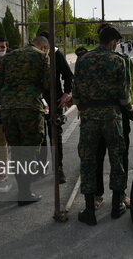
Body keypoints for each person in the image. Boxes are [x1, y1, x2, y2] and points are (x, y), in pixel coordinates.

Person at [73, 25, 130, 226]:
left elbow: (76, 92)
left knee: (88, 160)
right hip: (111, 116)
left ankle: (89, 209)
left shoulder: (83, 60)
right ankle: (117, 205)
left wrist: (86, 107)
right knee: (117, 158)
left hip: (89, 116)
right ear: (113, 41)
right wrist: (128, 108)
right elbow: (123, 95)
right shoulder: (118, 61)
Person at [94, 23, 133, 210]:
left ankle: (121, 193)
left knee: (121, 157)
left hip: (120, 117)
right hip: (95, 118)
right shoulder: (89, 60)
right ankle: (97, 194)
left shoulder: (125, 61)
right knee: (96, 156)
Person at [0, 35, 50, 206]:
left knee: (17, 150)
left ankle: (22, 189)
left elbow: (0, 82)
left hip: (9, 109)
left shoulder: (9, 56)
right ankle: (25, 193)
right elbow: (47, 83)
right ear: (43, 47)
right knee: (29, 151)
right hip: (29, 109)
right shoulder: (41, 57)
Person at [37, 30, 74, 185]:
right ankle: (39, 167)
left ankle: (58, 169)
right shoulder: (31, 55)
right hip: (37, 100)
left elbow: (68, 75)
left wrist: (66, 93)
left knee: (54, 134)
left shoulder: (56, 55)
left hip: (54, 100)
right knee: (39, 135)